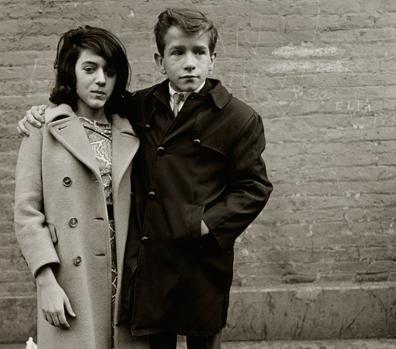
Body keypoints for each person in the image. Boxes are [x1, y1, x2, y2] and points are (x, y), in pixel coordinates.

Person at [17, 8, 273, 349]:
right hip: (138, 265)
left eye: (199, 52)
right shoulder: (139, 108)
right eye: (177, 52)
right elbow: (30, 209)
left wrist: (205, 224)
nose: (189, 63)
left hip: (191, 261)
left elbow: (254, 187)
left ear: (213, 58)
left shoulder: (236, 118)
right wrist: (42, 113)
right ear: (159, 60)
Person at [14, 26, 147, 349]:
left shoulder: (133, 130)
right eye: (89, 69)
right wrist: (46, 283)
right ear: (70, 72)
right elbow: (27, 213)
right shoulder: (44, 129)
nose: (101, 80)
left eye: (110, 72)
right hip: (73, 276)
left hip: (127, 275)